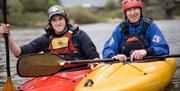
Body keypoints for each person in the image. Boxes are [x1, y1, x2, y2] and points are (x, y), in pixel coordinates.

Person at [0, 5, 99, 91]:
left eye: (60, 19)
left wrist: (95, 63)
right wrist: (8, 36)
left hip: (78, 74)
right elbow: (18, 53)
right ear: (50, 23)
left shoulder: (79, 35)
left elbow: (94, 58)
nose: (57, 23)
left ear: (66, 20)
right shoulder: (45, 39)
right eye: (54, 20)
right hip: (53, 77)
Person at [102, 0, 169, 61]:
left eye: (135, 9)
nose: (133, 13)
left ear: (140, 10)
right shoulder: (120, 29)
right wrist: (114, 56)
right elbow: (107, 49)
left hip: (148, 62)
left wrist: (146, 51)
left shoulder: (151, 27)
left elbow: (163, 48)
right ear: (125, 13)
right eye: (129, 10)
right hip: (125, 66)